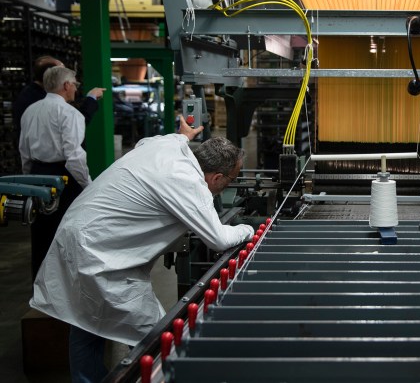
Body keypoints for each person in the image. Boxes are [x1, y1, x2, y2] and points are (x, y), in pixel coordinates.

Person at [30, 118, 254, 383]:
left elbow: (173, 138)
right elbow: (217, 238)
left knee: (84, 321)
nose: (222, 190)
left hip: (78, 232)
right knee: (158, 338)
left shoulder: (168, 145)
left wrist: (184, 134)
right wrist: (249, 230)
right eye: (227, 182)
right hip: (99, 255)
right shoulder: (188, 182)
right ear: (216, 176)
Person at [19, 66, 93, 279]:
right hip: (62, 176)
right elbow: (74, 156)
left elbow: (23, 150)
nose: (76, 89)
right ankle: (62, 291)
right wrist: (89, 186)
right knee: (66, 233)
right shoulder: (70, 113)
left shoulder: (30, 110)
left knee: (40, 235)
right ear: (67, 85)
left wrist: (28, 179)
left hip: (36, 174)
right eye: (75, 85)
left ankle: (40, 288)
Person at [12, 55, 105, 136]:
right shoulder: (38, 100)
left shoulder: (33, 95)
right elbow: (75, 125)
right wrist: (91, 99)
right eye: (62, 71)